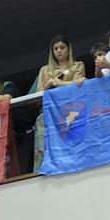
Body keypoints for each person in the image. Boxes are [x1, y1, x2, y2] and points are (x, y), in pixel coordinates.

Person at [32, 35, 85, 171]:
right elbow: (37, 98)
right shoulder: (45, 70)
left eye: (62, 47)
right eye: (55, 49)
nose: (59, 51)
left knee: (70, 147)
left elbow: (79, 85)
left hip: (70, 112)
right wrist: (48, 85)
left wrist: (58, 83)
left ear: (69, 49)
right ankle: (41, 170)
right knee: (43, 146)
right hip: (48, 114)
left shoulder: (77, 65)